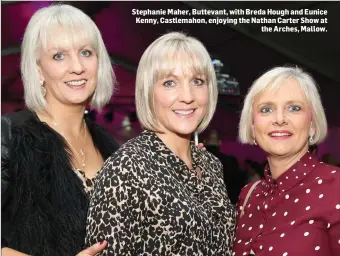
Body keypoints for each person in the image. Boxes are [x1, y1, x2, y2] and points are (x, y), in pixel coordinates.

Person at [85, 32, 236, 255]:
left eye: (197, 81)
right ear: (148, 92)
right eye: (169, 83)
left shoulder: (211, 164)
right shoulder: (126, 168)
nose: (187, 95)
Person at [1, 4, 120, 256]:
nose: (77, 66)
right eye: (59, 56)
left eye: (86, 52)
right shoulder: (9, 136)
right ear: (38, 69)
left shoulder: (112, 149)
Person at [232, 66, 340, 255]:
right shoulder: (249, 195)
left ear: (312, 124)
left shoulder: (336, 187)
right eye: (266, 109)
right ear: (252, 124)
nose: (280, 119)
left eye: (294, 108)